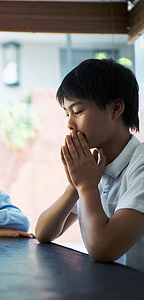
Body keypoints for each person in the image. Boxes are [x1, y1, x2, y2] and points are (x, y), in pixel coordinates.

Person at [35, 58, 144, 271]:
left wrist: (85, 186)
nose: (69, 123)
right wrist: (74, 185)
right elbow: (43, 233)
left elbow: (102, 249)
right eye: (67, 113)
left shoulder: (140, 165)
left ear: (115, 108)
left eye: (77, 111)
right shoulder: (96, 167)